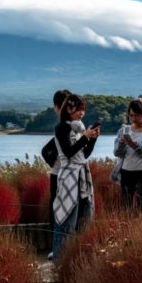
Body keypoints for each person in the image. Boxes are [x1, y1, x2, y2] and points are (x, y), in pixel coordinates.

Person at [52, 94, 99, 259]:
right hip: (68, 175)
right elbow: (68, 152)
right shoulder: (62, 128)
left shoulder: (79, 127)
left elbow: (83, 154)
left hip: (82, 176)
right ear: (69, 109)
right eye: (79, 109)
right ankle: (59, 259)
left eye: (83, 110)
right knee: (66, 220)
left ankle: (78, 258)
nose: (81, 113)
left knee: (84, 220)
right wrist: (85, 136)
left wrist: (92, 139)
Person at [114, 99, 142, 213]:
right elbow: (117, 153)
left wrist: (134, 145)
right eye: (131, 115)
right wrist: (122, 143)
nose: (133, 118)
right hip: (126, 172)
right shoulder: (123, 130)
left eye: (136, 115)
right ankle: (128, 230)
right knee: (126, 208)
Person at [47, 89, 71, 260]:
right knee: (57, 211)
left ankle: (61, 249)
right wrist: (54, 160)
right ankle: (57, 249)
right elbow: (45, 151)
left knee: (65, 212)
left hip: (65, 174)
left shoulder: (69, 126)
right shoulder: (62, 128)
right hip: (58, 174)